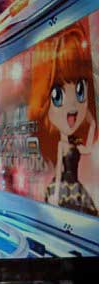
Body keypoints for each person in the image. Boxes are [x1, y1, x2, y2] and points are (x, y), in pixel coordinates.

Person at [29, 22, 98, 215]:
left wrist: (92, 122)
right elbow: (60, 169)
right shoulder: (61, 145)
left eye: (80, 90)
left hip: (75, 186)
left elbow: (87, 149)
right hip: (65, 188)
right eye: (58, 95)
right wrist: (56, 193)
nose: (73, 105)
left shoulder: (76, 144)